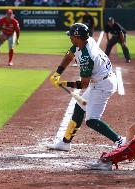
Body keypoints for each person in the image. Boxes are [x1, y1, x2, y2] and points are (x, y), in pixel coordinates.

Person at [46, 23, 125, 151]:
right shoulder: (86, 41)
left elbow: (84, 84)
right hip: (100, 80)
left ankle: (120, 141)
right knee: (79, 107)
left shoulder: (86, 57)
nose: (70, 38)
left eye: (71, 36)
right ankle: (65, 143)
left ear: (78, 37)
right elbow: (70, 54)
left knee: (91, 120)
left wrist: (64, 83)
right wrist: (58, 73)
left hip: (103, 84)